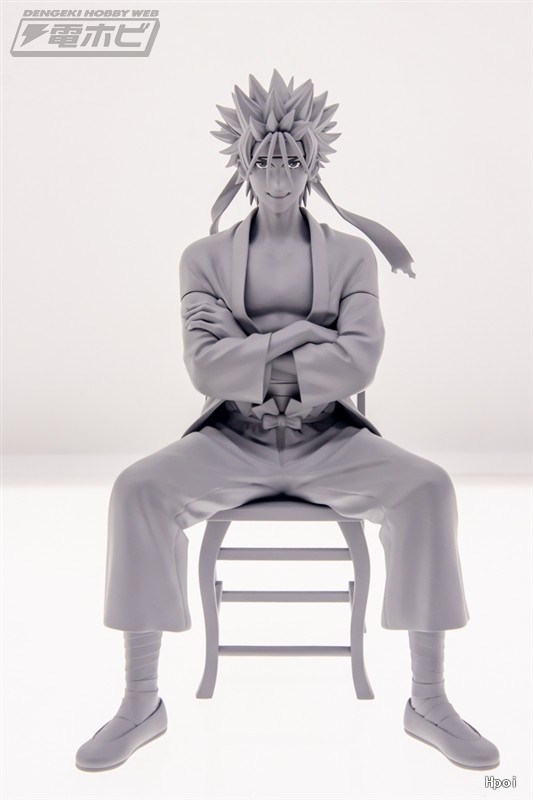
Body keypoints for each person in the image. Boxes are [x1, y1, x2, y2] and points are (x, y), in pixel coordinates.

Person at [76, 70, 499, 772]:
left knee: (429, 488)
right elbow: (205, 368)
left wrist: (255, 350)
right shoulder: (203, 258)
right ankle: (139, 702)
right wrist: (302, 333)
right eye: (263, 158)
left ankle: (429, 701)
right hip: (230, 439)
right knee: (136, 489)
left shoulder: (352, 256)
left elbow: (361, 359)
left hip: (330, 438)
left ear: (313, 164)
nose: (277, 173)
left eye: (291, 157)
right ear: (241, 163)